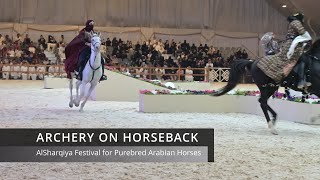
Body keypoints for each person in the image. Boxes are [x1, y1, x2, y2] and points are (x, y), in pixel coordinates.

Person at [257, 12, 311, 89]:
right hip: (292, 46)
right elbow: (302, 32)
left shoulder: (293, 22)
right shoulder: (296, 22)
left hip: (293, 44)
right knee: (302, 59)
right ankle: (300, 80)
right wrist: (308, 37)